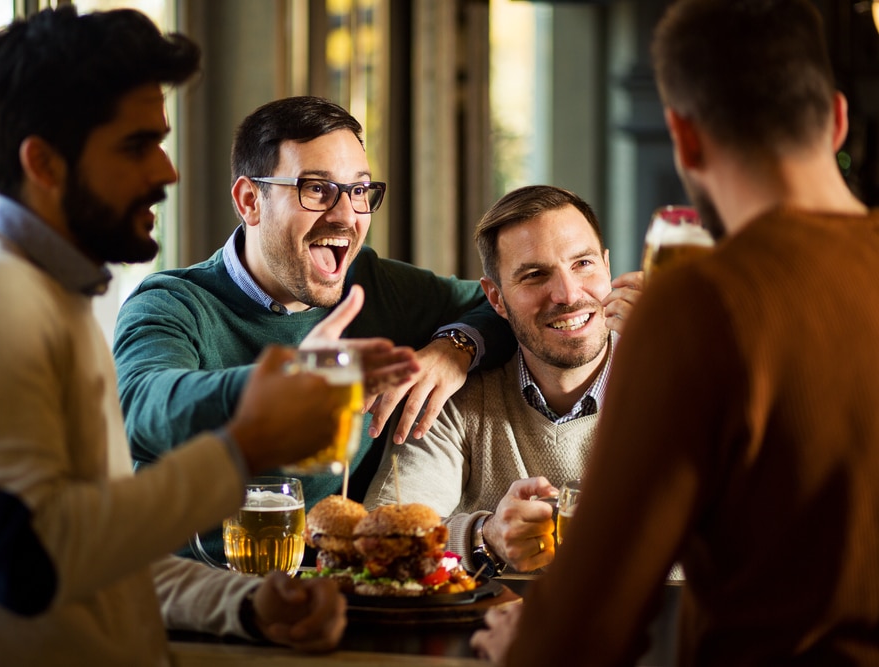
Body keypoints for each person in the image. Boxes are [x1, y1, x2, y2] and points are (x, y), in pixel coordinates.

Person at [0, 8, 368, 664]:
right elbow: (32, 563)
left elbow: (99, 551)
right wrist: (243, 445)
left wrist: (244, 603)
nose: (167, 172)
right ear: (45, 164)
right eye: (137, 146)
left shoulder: (52, 301)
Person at [471, 0, 879, 665]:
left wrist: (531, 639)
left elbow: (583, 635)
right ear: (836, 120)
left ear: (683, 139)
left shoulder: (697, 306)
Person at [113, 95, 516, 561]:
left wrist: (455, 347)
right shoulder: (172, 304)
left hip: (343, 598)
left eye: (359, 191)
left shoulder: (371, 282)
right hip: (201, 602)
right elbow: (139, 406)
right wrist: (286, 384)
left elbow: (503, 305)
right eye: (316, 189)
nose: (346, 215)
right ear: (250, 201)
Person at [365, 185, 643, 574]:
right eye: (534, 275)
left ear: (607, 267)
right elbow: (380, 542)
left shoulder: (680, 380)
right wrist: (484, 538)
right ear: (495, 298)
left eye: (583, 264)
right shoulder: (454, 398)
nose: (567, 294)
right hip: (493, 633)